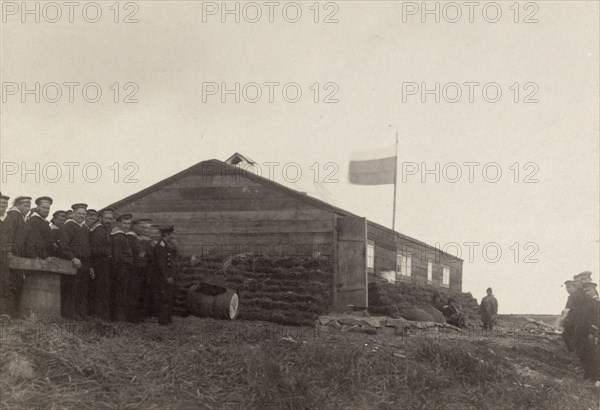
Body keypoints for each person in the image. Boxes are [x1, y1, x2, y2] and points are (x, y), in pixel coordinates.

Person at [61, 203, 93, 319]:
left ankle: (81, 314)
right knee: (71, 289)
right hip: (72, 262)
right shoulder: (68, 226)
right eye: (79, 213)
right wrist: (73, 257)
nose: (81, 216)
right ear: (73, 213)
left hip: (84, 262)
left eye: (83, 214)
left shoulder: (85, 228)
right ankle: (69, 315)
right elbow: (64, 245)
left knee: (83, 289)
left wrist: (89, 265)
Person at [2, 196, 32, 318]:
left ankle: (13, 313)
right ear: (18, 205)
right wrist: (9, 251)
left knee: (16, 283)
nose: (28, 208)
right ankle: (9, 313)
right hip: (11, 255)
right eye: (25, 205)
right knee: (11, 283)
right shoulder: (14, 215)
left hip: (17, 254)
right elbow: (7, 235)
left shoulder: (21, 217)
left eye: (29, 206)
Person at [88, 208, 114, 320]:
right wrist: (108, 252)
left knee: (103, 288)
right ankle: (99, 315)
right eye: (107, 218)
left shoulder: (104, 229)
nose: (109, 221)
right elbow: (94, 248)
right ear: (101, 218)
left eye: (110, 219)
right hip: (99, 262)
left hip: (103, 262)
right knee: (100, 288)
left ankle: (102, 314)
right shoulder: (98, 229)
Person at [126, 219, 151, 323]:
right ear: (134, 226)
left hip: (141, 269)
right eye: (141, 227)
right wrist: (142, 254)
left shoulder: (140, 238)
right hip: (134, 270)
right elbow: (137, 252)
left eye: (145, 227)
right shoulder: (130, 237)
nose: (143, 229)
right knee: (134, 293)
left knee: (140, 292)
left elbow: (144, 253)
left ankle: (139, 316)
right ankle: (132, 317)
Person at [573, 282, 600, 381]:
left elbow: (596, 320)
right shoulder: (586, 303)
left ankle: (594, 377)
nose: (586, 293)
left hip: (590, 333)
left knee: (592, 355)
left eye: (588, 290)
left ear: (594, 291)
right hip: (582, 333)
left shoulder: (597, 303)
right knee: (584, 353)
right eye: (585, 291)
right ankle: (588, 374)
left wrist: (592, 333)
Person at [111, 213, 133, 321]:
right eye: (124, 223)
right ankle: (118, 318)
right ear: (118, 223)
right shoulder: (119, 236)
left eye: (128, 224)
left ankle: (119, 317)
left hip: (123, 268)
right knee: (120, 292)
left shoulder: (122, 235)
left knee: (122, 292)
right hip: (121, 268)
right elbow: (117, 256)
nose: (126, 226)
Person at [155, 225, 177, 325]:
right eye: (171, 234)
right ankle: (163, 320)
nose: (173, 235)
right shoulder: (160, 246)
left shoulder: (166, 244)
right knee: (164, 298)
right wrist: (167, 277)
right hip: (163, 278)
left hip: (167, 276)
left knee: (168, 297)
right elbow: (161, 264)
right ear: (166, 235)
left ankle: (167, 319)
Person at [0, 193, 11, 315]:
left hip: (4, 256)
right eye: (0, 204)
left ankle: (2, 312)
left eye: (5, 205)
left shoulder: (7, 220)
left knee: (3, 283)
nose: (2, 207)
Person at [561, 279, 580, 352]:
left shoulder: (577, 296)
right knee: (567, 335)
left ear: (574, 287)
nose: (567, 289)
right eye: (566, 288)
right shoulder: (571, 296)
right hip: (570, 320)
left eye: (569, 287)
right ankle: (573, 352)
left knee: (566, 335)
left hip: (575, 320)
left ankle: (573, 352)